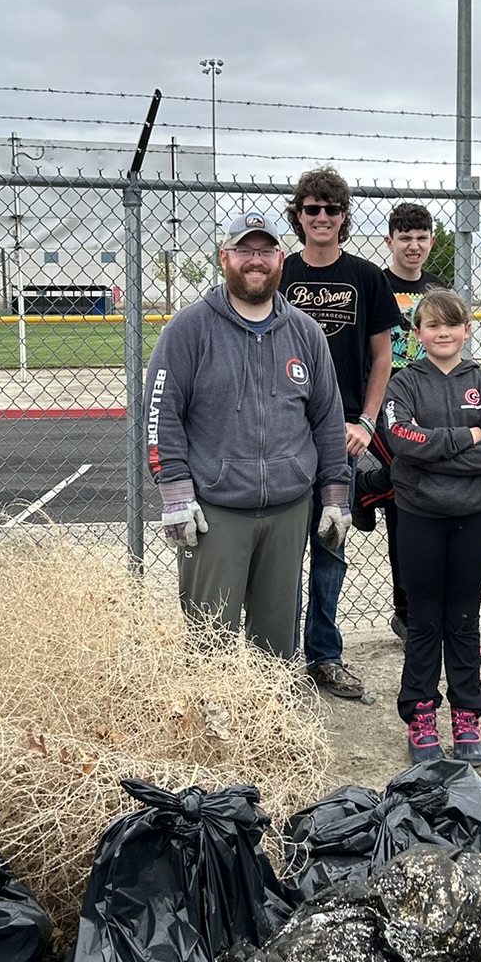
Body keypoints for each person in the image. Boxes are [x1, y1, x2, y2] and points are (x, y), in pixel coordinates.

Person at [143, 211, 351, 659]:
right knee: (210, 645)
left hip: (289, 509)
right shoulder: (188, 329)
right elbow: (161, 415)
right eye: (244, 250)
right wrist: (175, 493)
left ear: (280, 259)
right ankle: (210, 706)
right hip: (215, 512)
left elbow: (327, 419)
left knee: (275, 650)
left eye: (265, 251)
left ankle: (271, 707)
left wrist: (335, 495)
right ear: (224, 258)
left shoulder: (305, 332)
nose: (255, 260)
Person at [281, 166, 398, 700]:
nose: (322, 217)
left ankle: (324, 657)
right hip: (286, 437)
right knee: (284, 551)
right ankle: (279, 658)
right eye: (312, 209)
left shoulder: (366, 277)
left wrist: (366, 422)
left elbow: (382, 358)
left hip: (342, 436)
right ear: (299, 216)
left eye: (331, 209)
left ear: (344, 216)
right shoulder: (282, 273)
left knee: (329, 549)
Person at [383, 288, 481, 767]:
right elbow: (402, 441)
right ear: (417, 334)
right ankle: (420, 713)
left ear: (466, 330)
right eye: (432, 325)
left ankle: (466, 713)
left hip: (473, 518)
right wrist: (465, 437)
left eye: (451, 324)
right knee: (423, 620)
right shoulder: (404, 384)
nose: (442, 333)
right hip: (419, 517)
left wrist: (431, 455)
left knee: (462, 618)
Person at [380, 200, 439, 642]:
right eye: (405, 238)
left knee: (427, 503)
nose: (413, 246)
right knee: (402, 501)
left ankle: (425, 603)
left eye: (421, 238)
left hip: (429, 402)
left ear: (431, 241)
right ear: (390, 242)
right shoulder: (377, 284)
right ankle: (405, 608)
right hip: (388, 401)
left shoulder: (437, 290)